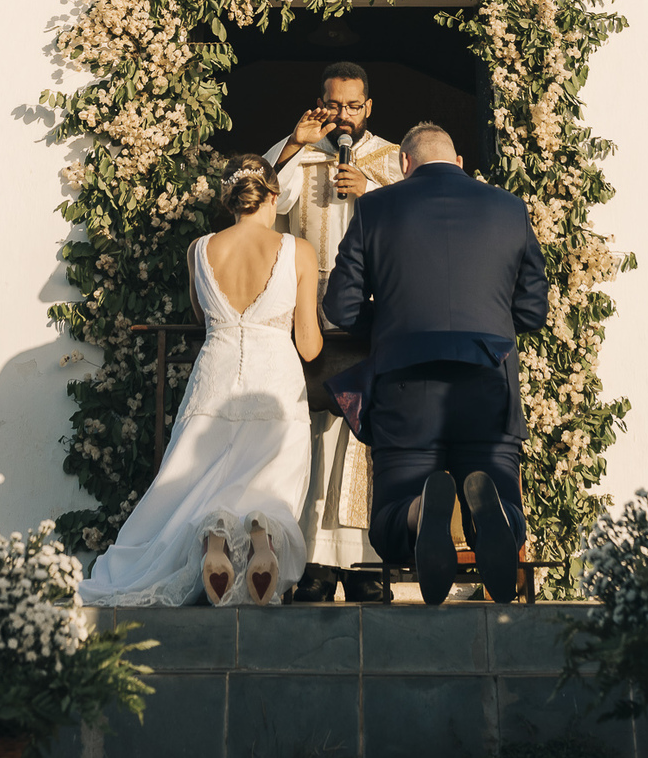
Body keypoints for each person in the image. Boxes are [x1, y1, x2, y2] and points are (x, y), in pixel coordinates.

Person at [80, 154, 322, 608]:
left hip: (214, 376)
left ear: (230, 201)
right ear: (273, 197)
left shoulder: (200, 249)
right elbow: (308, 345)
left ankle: (215, 535)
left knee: (198, 475)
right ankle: (261, 534)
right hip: (274, 381)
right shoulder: (297, 250)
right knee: (273, 478)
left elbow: (201, 315)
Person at [323, 122, 548, 605]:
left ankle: (419, 510)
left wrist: (391, 322)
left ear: (404, 163)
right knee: (501, 488)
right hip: (488, 380)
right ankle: (497, 516)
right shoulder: (509, 208)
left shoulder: (375, 207)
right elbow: (533, 311)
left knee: (390, 514)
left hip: (407, 384)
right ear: (460, 162)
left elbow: (340, 306)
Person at [264, 62, 403, 602]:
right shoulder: (301, 150)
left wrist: (371, 191)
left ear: (369, 107)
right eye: (334, 105)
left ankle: (366, 562)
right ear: (321, 103)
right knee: (315, 432)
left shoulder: (393, 159)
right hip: (312, 314)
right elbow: (262, 202)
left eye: (353, 106)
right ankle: (315, 562)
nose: (343, 116)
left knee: (366, 433)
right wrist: (292, 146)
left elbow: (417, 223)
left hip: (377, 315)